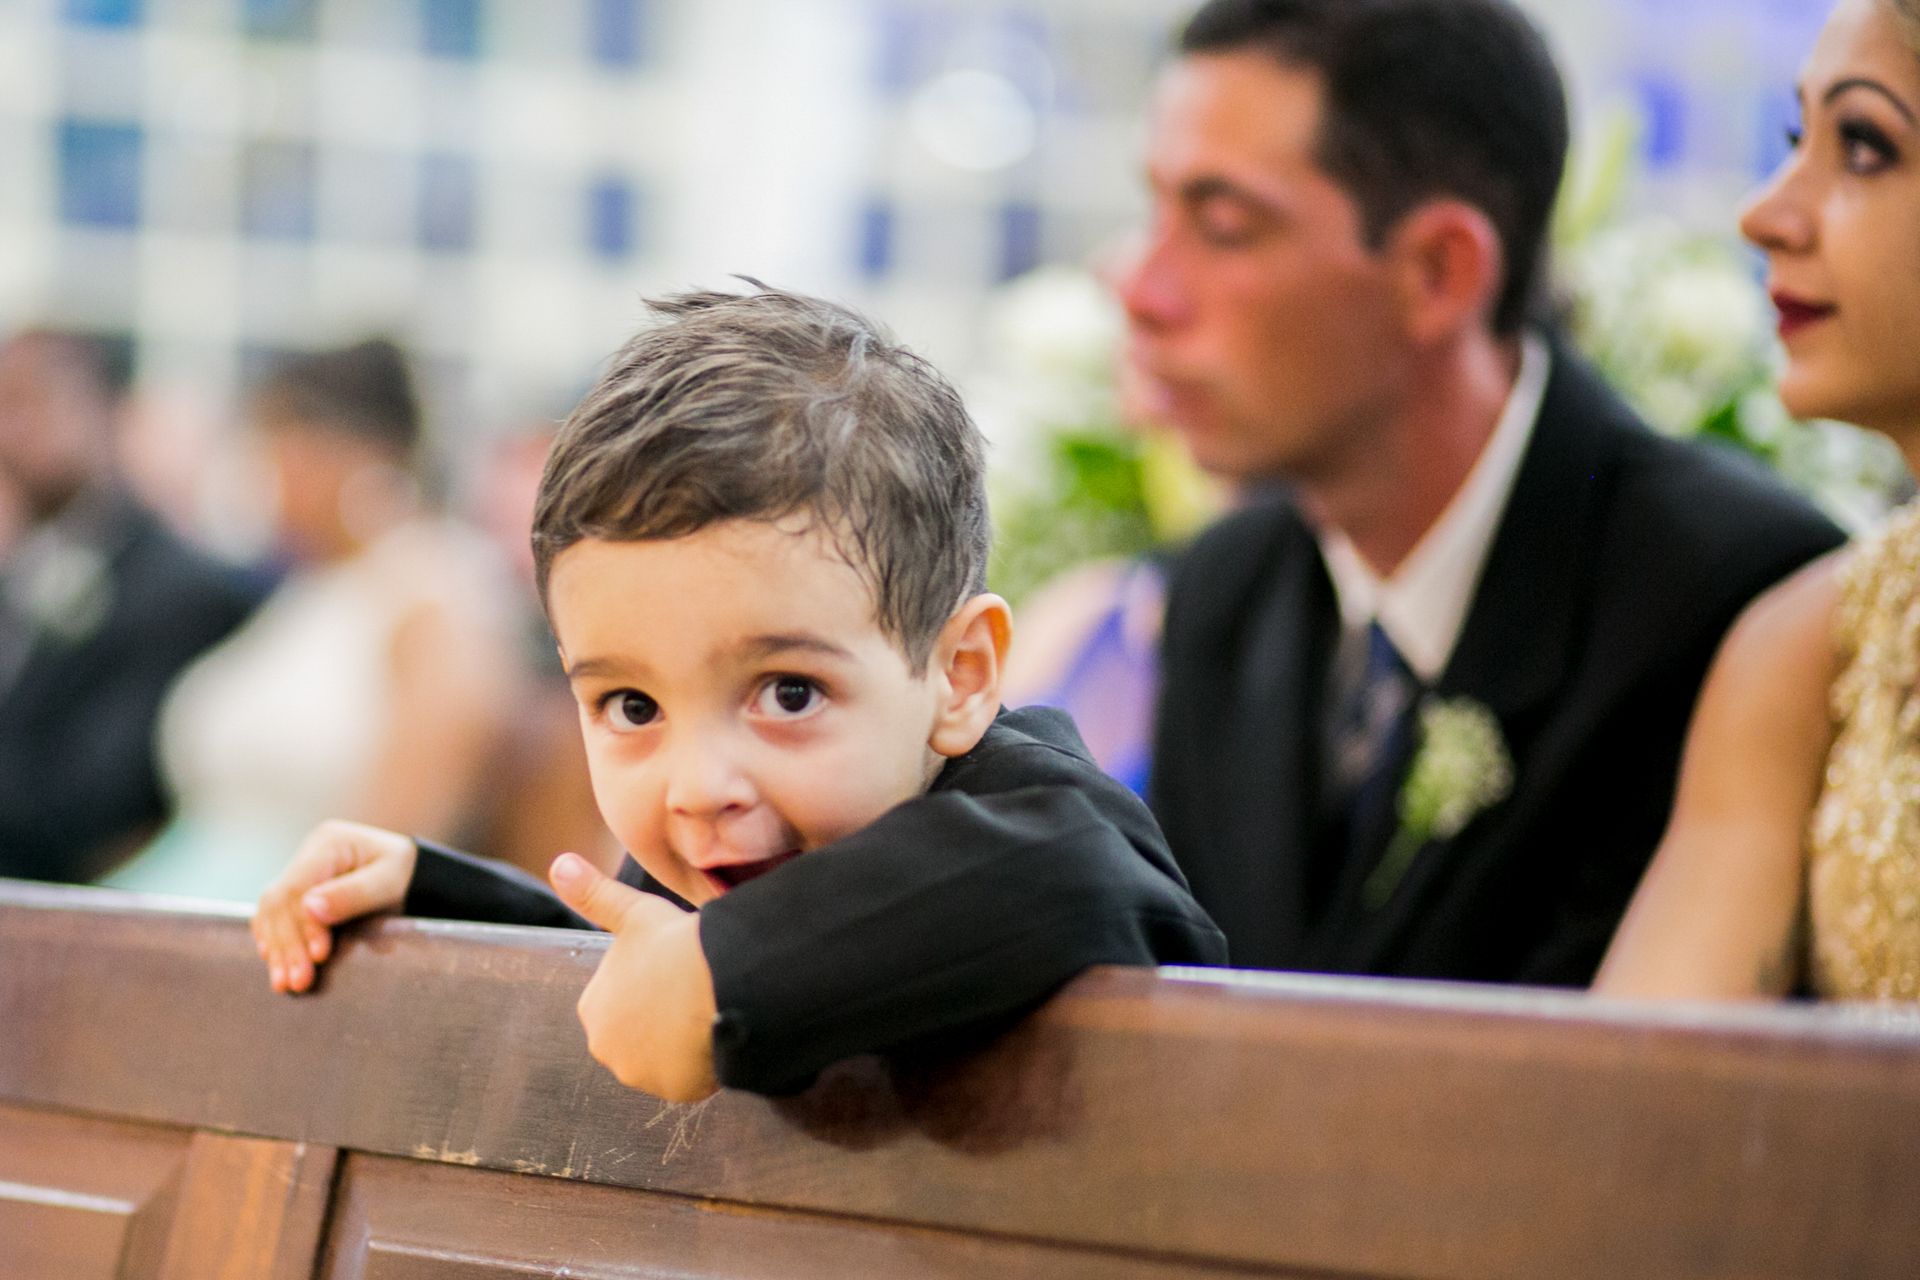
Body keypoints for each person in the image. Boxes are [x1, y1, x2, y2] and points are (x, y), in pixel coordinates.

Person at [250, 286, 1226, 1101]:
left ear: (960, 676)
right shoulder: (734, 864)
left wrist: (731, 973)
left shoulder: (1043, 819)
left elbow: (1083, 880)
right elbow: (637, 984)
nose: (699, 782)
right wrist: (429, 895)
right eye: (632, 707)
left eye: (789, 692)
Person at [1121, 0, 1847, 984]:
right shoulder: (1225, 586)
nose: (1142, 287)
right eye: (1153, 212)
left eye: (1221, 225)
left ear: (1439, 271)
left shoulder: (1723, 601)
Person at [1598, 0, 1920, 1001]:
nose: (1766, 212)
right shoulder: (1806, 653)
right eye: (1797, 140)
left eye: (1863, 146)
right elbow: (1626, 1107)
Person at [105, 339, 519, 900]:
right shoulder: (308, 588)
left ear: (343, 454)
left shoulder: (433, 594)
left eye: (274, 449)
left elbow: (407, 825)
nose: (260, 477)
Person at [0, 329, 263, 883]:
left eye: (32, 402)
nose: (11, 430)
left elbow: (95, 802)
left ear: (108, 410)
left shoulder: (183, 589)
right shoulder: (20, 569)